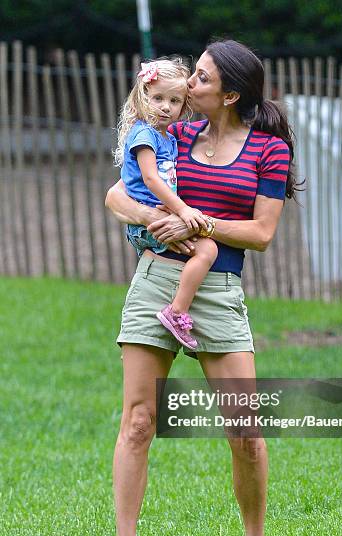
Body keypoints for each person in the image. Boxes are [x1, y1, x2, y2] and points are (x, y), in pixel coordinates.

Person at [106, 39, 300, 536]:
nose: (189, 85)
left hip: (218, 290)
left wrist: (196, 224)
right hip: (155, 280)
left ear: (229, 94)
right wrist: (154, 216)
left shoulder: (268, 149)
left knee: (247, 431)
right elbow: (116, 194)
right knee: (139, 421)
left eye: (203, 78)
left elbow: (262, 234)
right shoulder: (174, 134)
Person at [114, 58, 218, 349]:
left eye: (174, 101)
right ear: (142, 97)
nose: (165, 107)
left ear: (184, 106)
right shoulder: (145, 134)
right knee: (208, 248)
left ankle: (178, 311)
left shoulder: (167, 138)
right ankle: (176, 312)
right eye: (157, 98)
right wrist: (182, 209)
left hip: (160, 214)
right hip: (146, 220)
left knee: (198, 247)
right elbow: (150, 179)